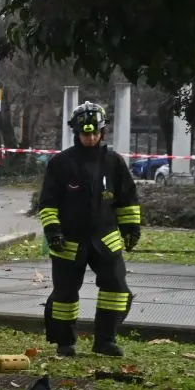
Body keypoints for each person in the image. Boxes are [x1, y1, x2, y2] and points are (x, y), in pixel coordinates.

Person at [37, 101, 141, 356]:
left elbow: (127, 198)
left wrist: (131, 228)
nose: (91, 137)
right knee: (65, 295)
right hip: (68, 241)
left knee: (116, 288)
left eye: (95, 133)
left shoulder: (114, 162)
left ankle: (106, 340)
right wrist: (53, 232)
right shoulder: (61, 164)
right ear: (77, 132)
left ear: (103, 132)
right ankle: (65, 343)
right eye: (86, 133)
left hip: (105, 238)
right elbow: (48, 204)